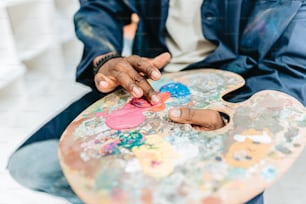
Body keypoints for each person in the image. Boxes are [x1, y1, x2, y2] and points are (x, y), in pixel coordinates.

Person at [7, 0, 306, 204]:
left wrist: (235, 118)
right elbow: (100, 6)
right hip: (144, 84)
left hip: (238, 98)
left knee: (212, 193)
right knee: (33, 163)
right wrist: (106, 58)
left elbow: (292, 66)